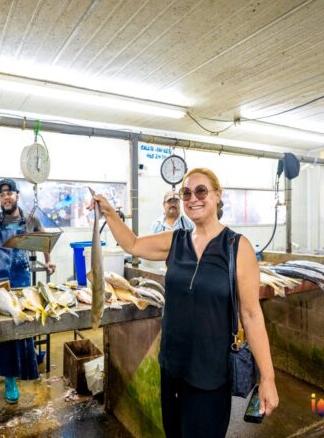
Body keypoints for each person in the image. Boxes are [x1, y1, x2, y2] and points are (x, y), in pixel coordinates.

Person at [90, 168, 278, 437]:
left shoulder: (237, 247)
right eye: (186, 193)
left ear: (216, 195)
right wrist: (108, 211)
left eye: (201, 191)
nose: (193, 198)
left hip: (211, 373)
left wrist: (268, 379)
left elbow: (251, 315)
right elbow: (131, 244)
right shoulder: (176, 240)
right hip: (173, 367)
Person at [0, 178, 55, 404]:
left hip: (21, 282)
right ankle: (9, 379)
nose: (5, 197)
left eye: (9, 193)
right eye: (2, 194)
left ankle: (29, 365)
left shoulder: (30, 220)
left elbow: (45, 240)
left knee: (24, 326)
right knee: (3, 333)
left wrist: (49, 262)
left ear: (17, 195)